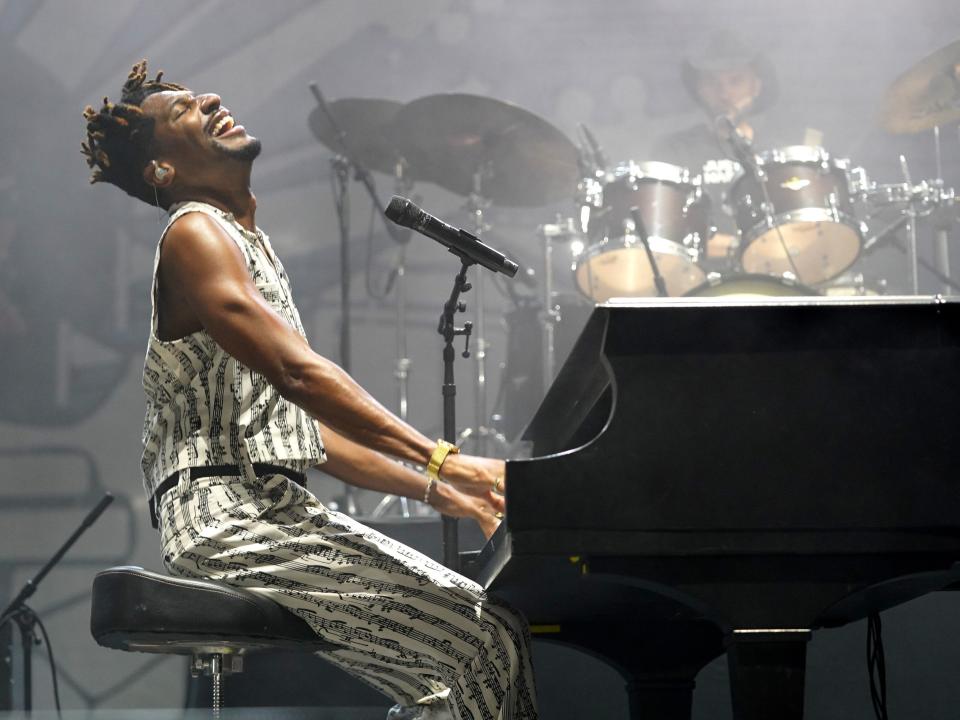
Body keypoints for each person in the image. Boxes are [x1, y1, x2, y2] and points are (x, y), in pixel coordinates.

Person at [82, 60, 538, 720]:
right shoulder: (194, 232)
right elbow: (298, 375)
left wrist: (446, 492)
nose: (210, 98)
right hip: (227, 517)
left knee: (461, 664)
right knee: (482, 640)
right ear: (162, 170)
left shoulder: (243, 244)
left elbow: (303, 436)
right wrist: (447, 459)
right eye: (183, 111)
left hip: (266, 504)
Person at [649, 30, 789, 262]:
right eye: (713, 83)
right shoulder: (673, 151)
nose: (724, 93)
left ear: (756, 87)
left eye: (735, 81)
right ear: (700, 90)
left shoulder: (779, 156)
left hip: (770, 277)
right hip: (695, 284)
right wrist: (742, 248)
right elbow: (661, 230)